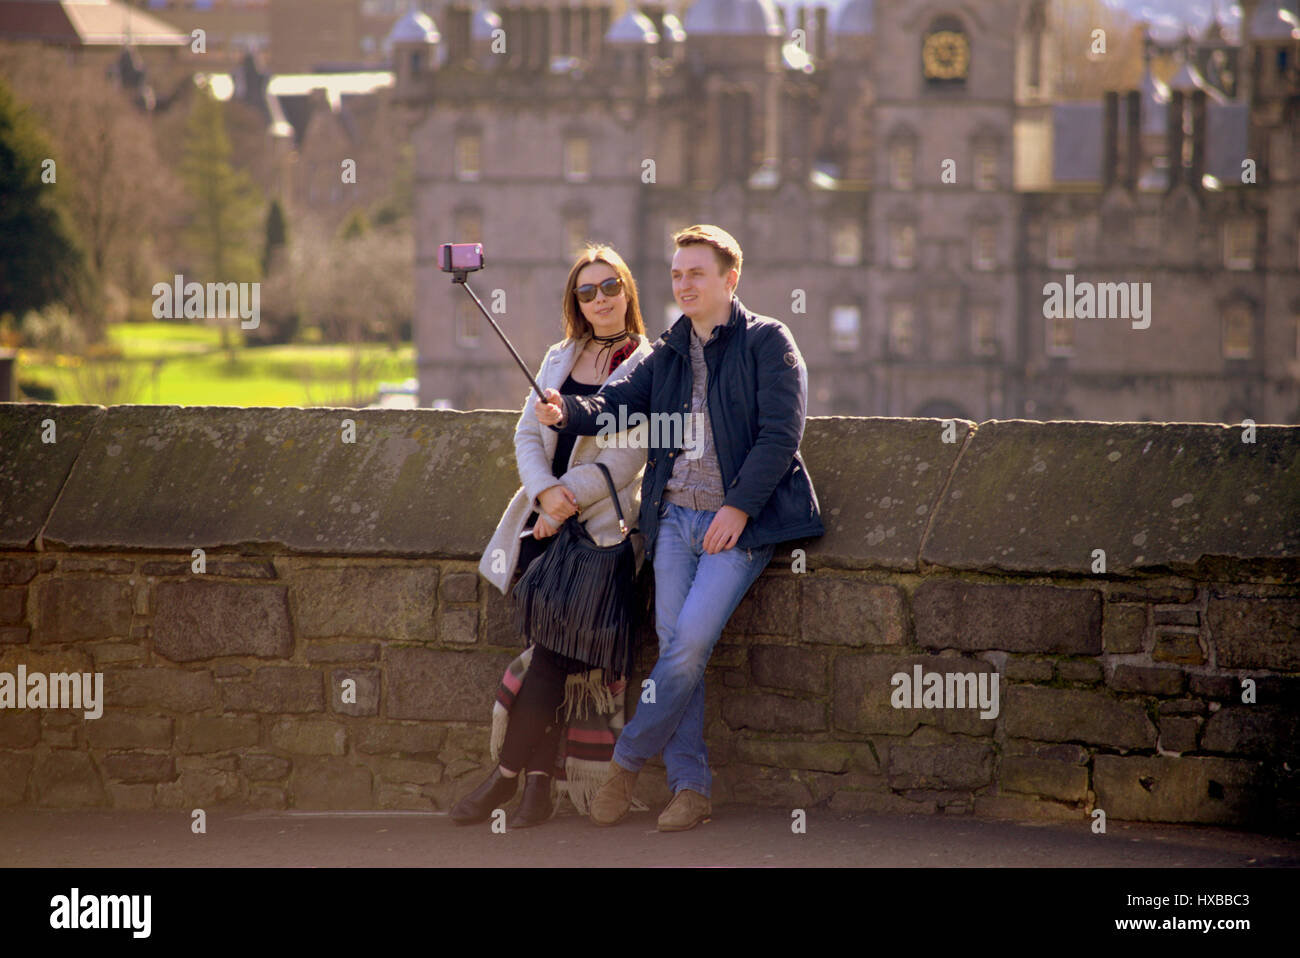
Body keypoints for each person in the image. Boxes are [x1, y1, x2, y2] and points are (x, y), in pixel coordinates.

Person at [535, 224, 825, 832]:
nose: (683, 284)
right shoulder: (668, 351)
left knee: (688, 644)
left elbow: (780, 435)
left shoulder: (768, 342)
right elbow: (615, 402)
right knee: (676, 650)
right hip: (672, 521)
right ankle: (691, 788)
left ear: (730, 278)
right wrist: (568, 411)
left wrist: (740, 507)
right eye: (676, 274)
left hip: (737, 526)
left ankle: (626, 762)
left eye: (696, 273)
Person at [451, 244, 653, 828]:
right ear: (576, 302)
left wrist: (567, 502)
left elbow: (628, 455)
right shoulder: (559, 355)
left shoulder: (647, 363)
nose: (600, 300)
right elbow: (524, 433)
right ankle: (537, 789)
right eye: (586, 292)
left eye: (609, 286)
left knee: (550, 658)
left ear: (627, 291)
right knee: (549, 655)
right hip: (539, 526)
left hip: (594, 534)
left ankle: (502, 780)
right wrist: (543, 494)